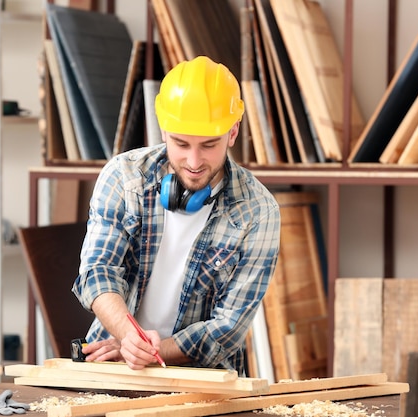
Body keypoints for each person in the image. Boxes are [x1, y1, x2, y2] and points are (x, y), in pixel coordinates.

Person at [72, 55, 280, 376]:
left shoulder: (258, 212)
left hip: (202, 376)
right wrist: (130, 339)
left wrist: (150, 351)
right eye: (181, 143)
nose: (194, 161)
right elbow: (99, 271)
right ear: (163, 130)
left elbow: (228, 327)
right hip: (114, 357)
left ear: (233, 132)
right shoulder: (124, 177)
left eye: (209, 145)